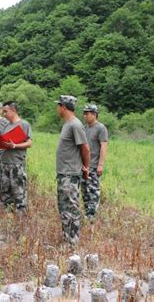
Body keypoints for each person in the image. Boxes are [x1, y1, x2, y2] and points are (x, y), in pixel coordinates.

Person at [54, 95, 90, 245]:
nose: (57, 108)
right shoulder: (67, 124)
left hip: (70, 174)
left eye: (58, 106)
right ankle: (67, 239)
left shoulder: (75, 125)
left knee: (71, 207)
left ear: (64, 107)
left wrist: (86, 167)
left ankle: (72, 242)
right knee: (64, 207)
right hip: (64, 173)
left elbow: (85, 148)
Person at [0, 101, 32, 212]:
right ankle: (7, 217)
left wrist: (14, 145)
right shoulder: (7, 125)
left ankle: (20, 219)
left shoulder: (24, 124)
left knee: (18, 193)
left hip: (16, 164)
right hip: (4, 162)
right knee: (5, 192)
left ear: (14, 111)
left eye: (6, 111)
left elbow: (29, 143)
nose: (4, 114)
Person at [81, 104, 108, 219]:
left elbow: (103, 146)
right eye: (84, 114)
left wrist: (100, 165)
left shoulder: (101, 128)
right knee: (85, 192)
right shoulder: (84, 128)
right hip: (84, 167)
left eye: (87, 114)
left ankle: (92, 217)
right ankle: (87, 215)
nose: (85, 116)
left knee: (93, 192)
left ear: (94, 114)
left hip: (94, 166)